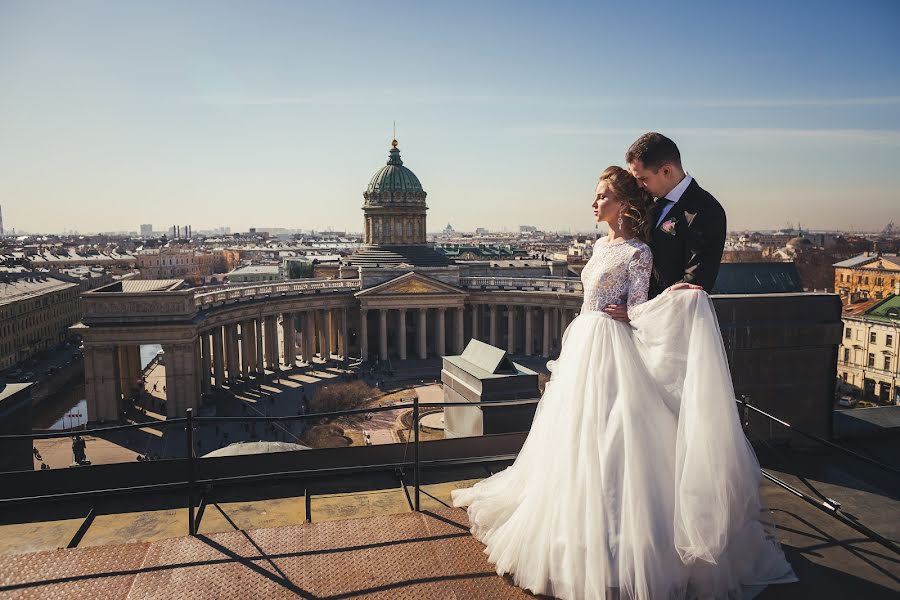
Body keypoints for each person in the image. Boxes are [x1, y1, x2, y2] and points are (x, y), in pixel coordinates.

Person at [451, 166, 795, 600]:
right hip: (585, 344)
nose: (593, 203)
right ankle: (583, 530)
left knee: (614, 443)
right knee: (577, 442)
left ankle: (616, 543)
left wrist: (632, 314)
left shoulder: (638, 253)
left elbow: (639, 305)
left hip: (611, 347)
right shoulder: (598, 245)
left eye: (601, 197)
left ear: (623, 205)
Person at [604, 133, 726, 326]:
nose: (638, 186)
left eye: (642, 178)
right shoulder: (653, 201)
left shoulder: (705, 210)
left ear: (666, 171)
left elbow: (694, 283)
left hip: (671, 328)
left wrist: (638, 312)